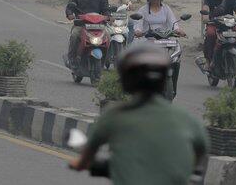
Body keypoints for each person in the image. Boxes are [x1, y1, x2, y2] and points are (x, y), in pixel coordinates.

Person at [69, 44, 209, 185]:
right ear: (163, 80)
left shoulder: (114, 116)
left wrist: (79, 163)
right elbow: (202, 154)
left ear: (126, 80)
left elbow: (87, 157)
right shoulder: (187, 120)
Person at [65, 0, 109, 67]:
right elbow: (69, 7)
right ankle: (71, 58)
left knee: (108, 36)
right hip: (81, 25)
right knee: (74, 36)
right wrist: (70, 14)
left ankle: (107, 59)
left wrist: (108, 17)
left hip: (98, 26)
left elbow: (106, 10)